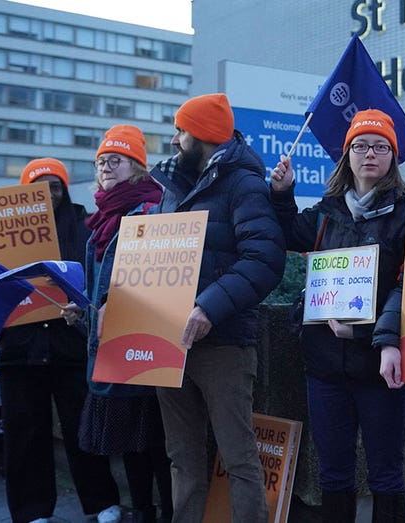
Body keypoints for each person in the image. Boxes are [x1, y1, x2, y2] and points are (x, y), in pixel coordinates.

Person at [270, 109, 405, 523]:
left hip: (382, 365)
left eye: (381, 146)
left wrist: (366, 329)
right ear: (346, 154)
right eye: (361, 145)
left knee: (386, 474)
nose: (371, 154)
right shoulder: (325, 212)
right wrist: (282, 193)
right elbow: (284, 233)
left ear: (393, 157)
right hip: (325, 366)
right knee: (333, 473)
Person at [147, 94, 285, 523]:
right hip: (171, 345)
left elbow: (264, 260)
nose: (174, 140)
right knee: (181, 459)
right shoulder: (173, 189)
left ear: (202, 135)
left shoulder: (244, 185)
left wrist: (208, 307)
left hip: (223, 344)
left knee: (238, 459)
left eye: (180, 130)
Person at [0, 158, 122, 523]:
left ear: (64, 190)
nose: (48, 195)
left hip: (69, 345)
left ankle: (101, 502)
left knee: (83, 429)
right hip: (19, 349)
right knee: (24, 436)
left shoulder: (85, 226)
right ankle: (32, 510)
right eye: (39, 187)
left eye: (55, 187)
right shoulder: (4, 232)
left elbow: (99, 277)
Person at [63, 125, 173, 523]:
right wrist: (83, 311)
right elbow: (100, 290)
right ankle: (143, 511)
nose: (106, 168)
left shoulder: (150, 209)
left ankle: (164, 513)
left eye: (116, 160)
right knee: (132, 444)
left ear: (138, 167)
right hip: (112, 346)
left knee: (156, 443)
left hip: (144, 344)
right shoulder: (102, 218)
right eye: (101, 162)